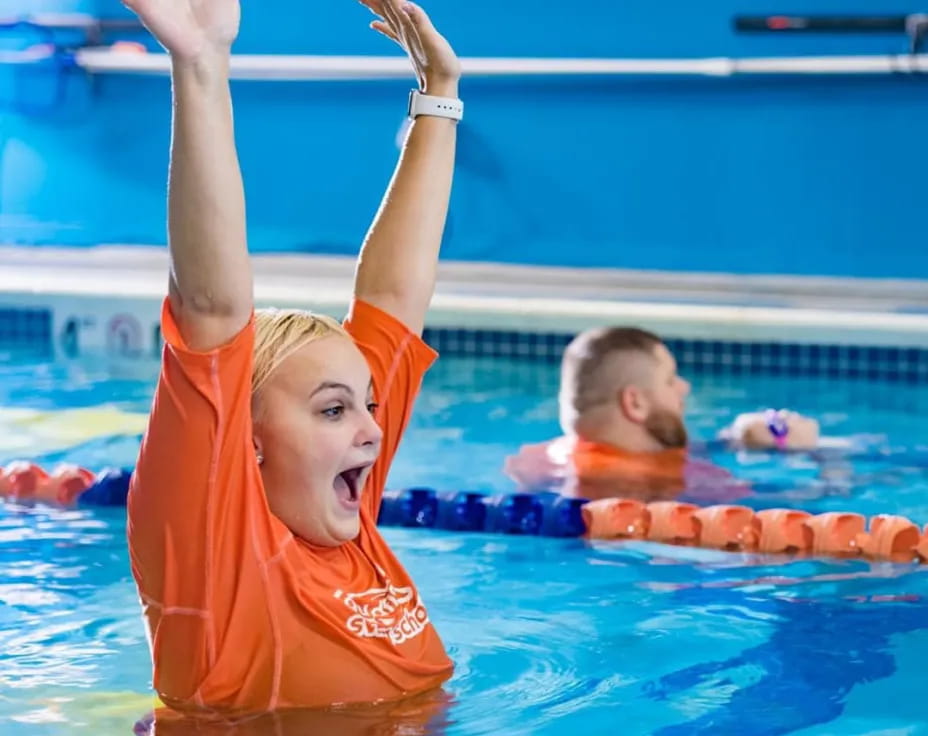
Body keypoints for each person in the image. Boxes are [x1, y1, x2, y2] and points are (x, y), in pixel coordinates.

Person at [123, 0, 462, 718]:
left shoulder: (347, 509)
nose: (374, 429)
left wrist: (440, 95)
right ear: (244, 443)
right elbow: (212, 310)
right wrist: (202, 64)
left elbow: (395, 294)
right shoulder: (221, 568)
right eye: (334, 410)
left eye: (366, 404)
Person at [504, 327, 820, 502]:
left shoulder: (535, 460)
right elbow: (795, 506)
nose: (684, 387)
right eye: (670, 380)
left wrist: (734, 441)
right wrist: (827, 464)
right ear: (635, 403)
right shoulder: (669, 482)